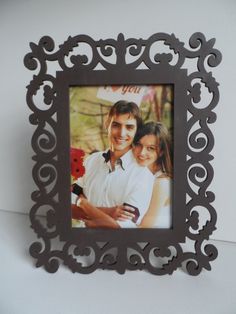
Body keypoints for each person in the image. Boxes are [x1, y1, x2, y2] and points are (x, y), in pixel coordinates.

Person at [71, 100, 155, 228]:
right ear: (107, 124)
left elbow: (117, 227)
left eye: (129, 127)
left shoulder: (143, 175)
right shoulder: (91, 161)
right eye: (116, 125)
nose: (121, 133)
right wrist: (109, 212)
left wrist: (83, 203)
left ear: (136, 131)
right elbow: (67, 207)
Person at [132, 121, 172, 228]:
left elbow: (145, 228)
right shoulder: (139, 171)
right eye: (139, 145)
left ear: (161, 152)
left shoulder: (161, 183)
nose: (142, 153)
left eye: (150, 148)